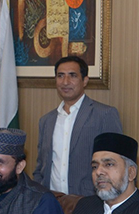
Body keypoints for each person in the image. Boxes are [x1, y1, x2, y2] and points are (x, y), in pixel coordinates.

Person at [33, 56, 122, 197]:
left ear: (85, 80)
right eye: (60, 76)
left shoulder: (104, 115)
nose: (65, 82)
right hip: (51, 201)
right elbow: (40, 166)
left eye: (72, 76)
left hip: (89, 201)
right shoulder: (46, 121)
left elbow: (116, 165)